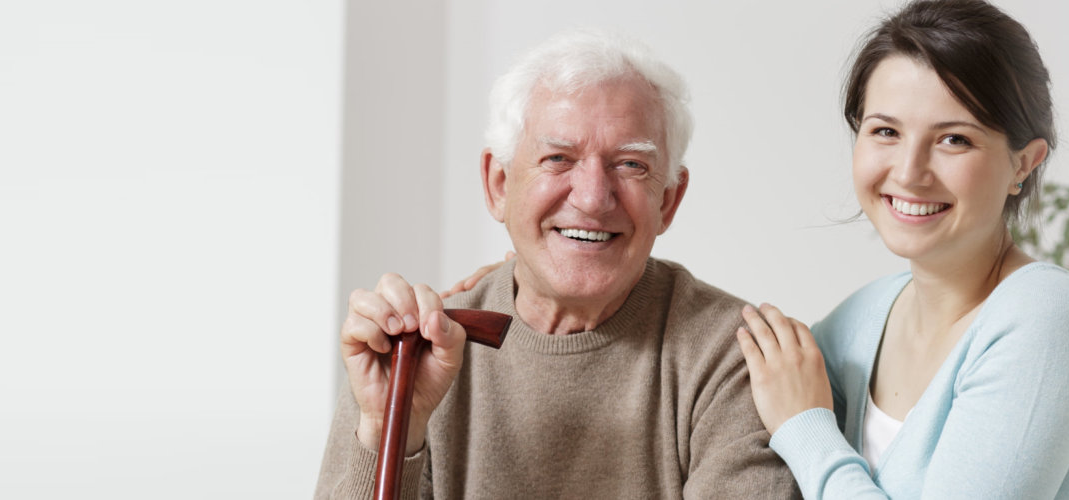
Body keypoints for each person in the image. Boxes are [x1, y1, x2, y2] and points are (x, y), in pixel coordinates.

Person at [312, 30, 797, 499]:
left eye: (630, 164)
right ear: (498, 184)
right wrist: (388, 429)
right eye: (558, 158)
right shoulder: (413, 348)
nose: (592, 197)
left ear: (668, 200)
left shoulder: (736, 357)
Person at [734, 0, 1069, 498]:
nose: (909, 172)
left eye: (954, 139)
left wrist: (806, 429)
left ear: (1024, 163)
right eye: (885, 131)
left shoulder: (1050, 319)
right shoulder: (859, 321)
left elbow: (798, 423)